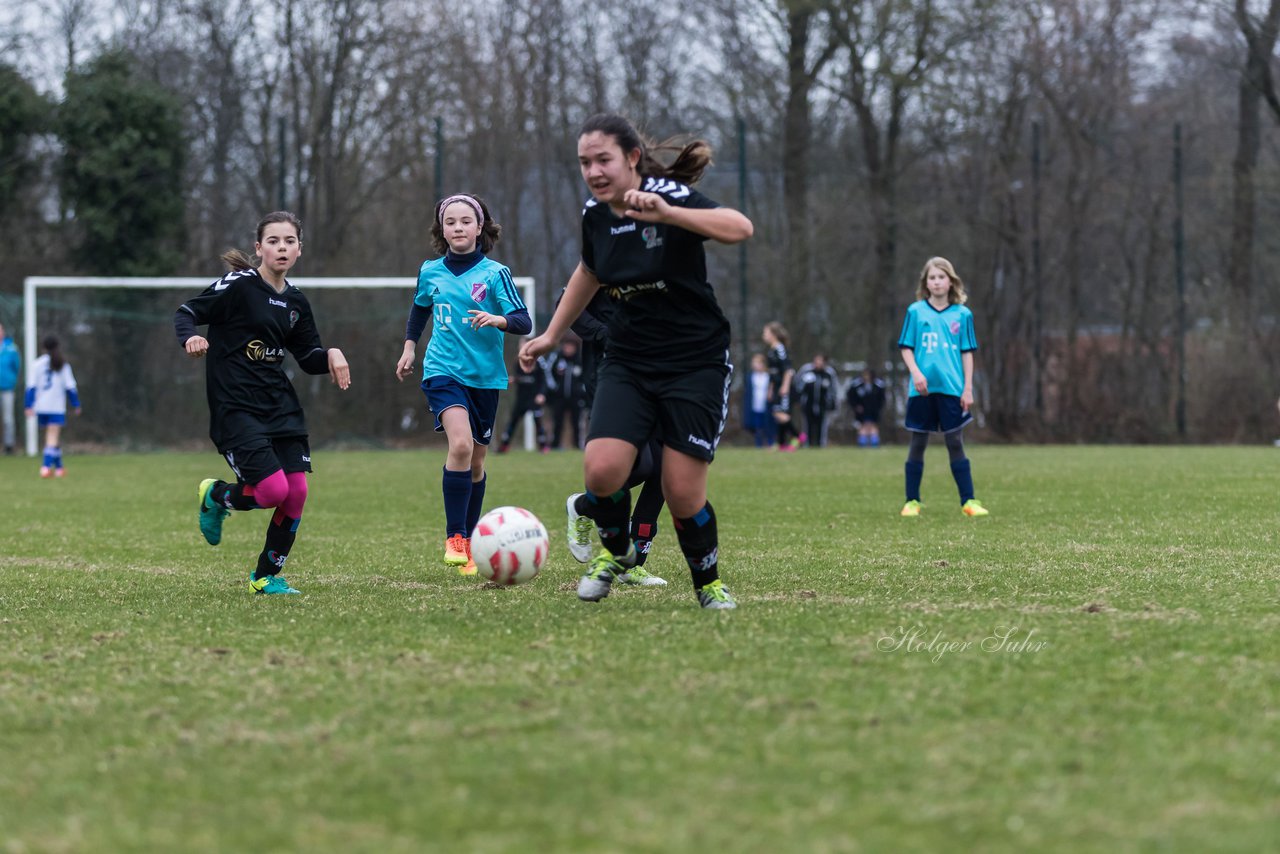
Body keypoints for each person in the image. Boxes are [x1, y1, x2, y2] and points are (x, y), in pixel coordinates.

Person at [519, 112, 753, 610]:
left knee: (682, 492)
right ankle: (618, 551)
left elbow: (739, 227)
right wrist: (549, 335)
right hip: (629, 359)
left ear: (630, 158)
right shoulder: (595, 214)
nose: (594, 171)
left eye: (602, 159)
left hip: (695, 361)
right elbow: (589, 270)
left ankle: (708, 582)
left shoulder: (672, 198)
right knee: (601, 469)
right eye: (585, 162)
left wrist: (669, 214)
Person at [175, 211, 352, 595]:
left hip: (280, 406)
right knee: (272, 491)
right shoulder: (240, 285)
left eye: (289, 241)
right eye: (273, 241)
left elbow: (307, 357)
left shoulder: (296, 301)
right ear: (259, 248)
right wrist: (190, 338)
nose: (281, 248)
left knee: (297, 493)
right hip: (235, 406)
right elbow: (189, 311)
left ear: (299, 250)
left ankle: (265, 576)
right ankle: (215, 495)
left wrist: (332, 354)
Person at [395, 193, 530, 575]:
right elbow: (420, 308)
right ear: (442, 229)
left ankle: (469, 541)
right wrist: (409, 348)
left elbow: (523, 321)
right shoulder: (430, 271)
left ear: (480, 227)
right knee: (461, 444)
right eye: (450, 221)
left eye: (465, 221)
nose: (458, 227)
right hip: (442, 370)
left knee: (477, 462)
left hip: (485, 378)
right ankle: (454, 536)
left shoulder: (494, 273)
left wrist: (497, 319)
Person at [561, 285, 667, 587]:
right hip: (610, 378)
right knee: (641, 465)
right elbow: (567, 302)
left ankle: (631, 564)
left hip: (660, 376)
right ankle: (584, 505)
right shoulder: (608, 256)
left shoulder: (668, 260)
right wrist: (603, 334)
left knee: (664, 469)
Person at [897, 256, 988, 517]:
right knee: (918, 442)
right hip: (922, 390)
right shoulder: (916, 311)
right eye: (932, 278)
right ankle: (912, 501)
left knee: (955, 442)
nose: (936, 282)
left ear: (951, 281)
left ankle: (968, 501)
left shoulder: (962, 314)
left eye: (941, 277)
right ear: (926, 283)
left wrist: (967, 387)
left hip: (951, 388)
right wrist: (916, 373)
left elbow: (967, 352)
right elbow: (906, 347)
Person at [24, 335, 80, 477]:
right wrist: (76, 403)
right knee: (52, 437)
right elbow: (70, 387)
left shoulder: (36, 364)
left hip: (40, 406)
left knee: (52, 438)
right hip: (56, 407)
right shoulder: (62, 364)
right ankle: (45, 467)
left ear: (43, 348)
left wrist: (28, 405)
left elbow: (31, 387)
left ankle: (60, 468)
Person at [763, 321, 803, 451]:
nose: (764, 335)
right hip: (776, 387)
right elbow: (773, 373)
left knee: (781, 414)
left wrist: (785, 386)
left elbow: (788, 370)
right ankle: (780, 444)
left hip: (784, 386)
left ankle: (798, 436)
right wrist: (770, 389)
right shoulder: (771, 351)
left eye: (766, 332)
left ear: (774, 334)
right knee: (777, 414)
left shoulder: (780, 349)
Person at [496, 355, 549, 454]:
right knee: (513, 421)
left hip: (534, 398)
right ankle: (504, 445)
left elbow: (544, 381)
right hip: (521, 399)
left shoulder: (540, 362)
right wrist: (514, 379)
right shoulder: (519, 361)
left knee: (538, 421)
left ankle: (543, 445)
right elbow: (519, 377)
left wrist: (541, 394)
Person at [545, 338, 586, 449]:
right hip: (559, 397)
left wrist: (581, 389)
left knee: (576, 422)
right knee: (557, 422)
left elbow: (587, 375)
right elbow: (547, 371)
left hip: (576, 397)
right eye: (566, 346)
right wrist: (554, 387)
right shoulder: (556, 357)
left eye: (571, 346)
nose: (568, 349)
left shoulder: (581, 359)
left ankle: (578, 445)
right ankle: (555, 445)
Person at [795, 353, 839, 447]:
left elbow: (833, 389)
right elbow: (798, 386)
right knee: (807, 426)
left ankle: (821, 445)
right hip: (807, 405)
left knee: (822, 427)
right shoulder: (806, 371)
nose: (818, 363)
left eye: (820, 361)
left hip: (822, 405)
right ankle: (806, 445)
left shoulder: (829, 373)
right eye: (816, 360)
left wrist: (832, 403)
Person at [848, 367, 888, 447]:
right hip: (861, 411)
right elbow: (850, 397)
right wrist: (856, 406)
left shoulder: (878, 385)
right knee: (862, 426)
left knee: (873, 426)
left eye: (868, 375)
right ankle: (862, 445)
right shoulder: (856, 385)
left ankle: (874, 445)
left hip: (874, 411)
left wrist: (878, 407)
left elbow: (882, 398)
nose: (866, 377)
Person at [743, 352, 774, 448]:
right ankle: (758, 445)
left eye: (757, 363)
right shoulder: (750, 377)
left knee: (768, 426)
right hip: (755, 405)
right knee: (757, 427)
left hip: (767, 405)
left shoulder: (768, 376)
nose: (755, 365)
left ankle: (770, 444)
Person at [0, 323, 20, 454]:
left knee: (8, 419)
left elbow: (17, 367)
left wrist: (11, 380)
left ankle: (9, 446)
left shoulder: (11, 348)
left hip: (7, 388)